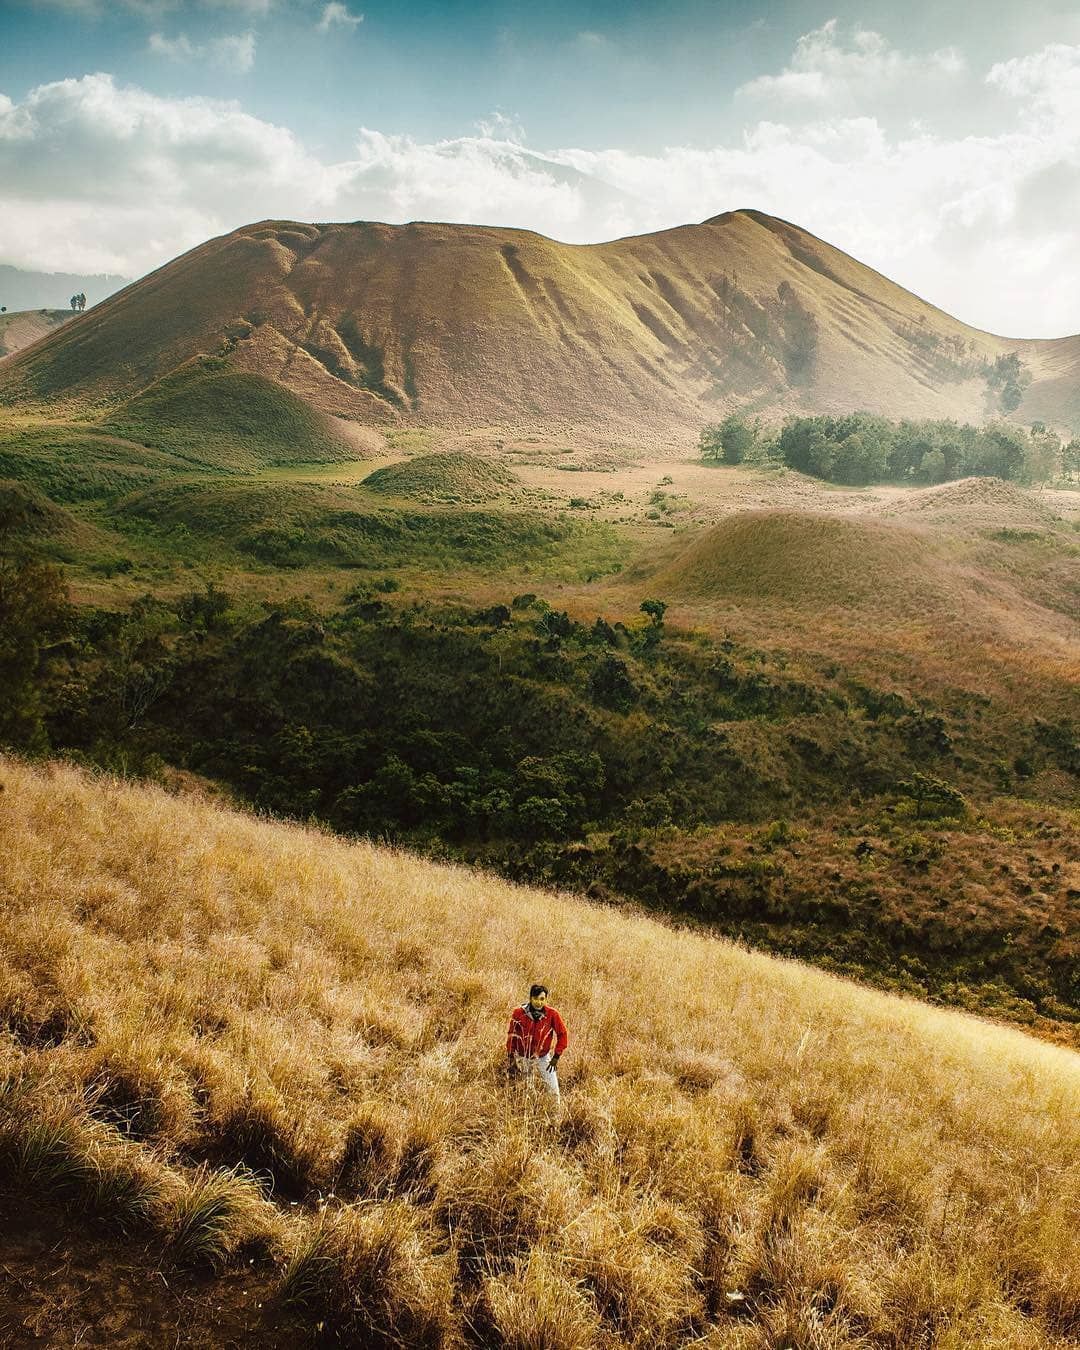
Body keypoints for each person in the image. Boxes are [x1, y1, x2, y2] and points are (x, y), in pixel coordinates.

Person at [506, 984, 567, 1103]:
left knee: (553, 1090)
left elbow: (563, 1034)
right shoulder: (518, 1013)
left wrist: (556, 1057)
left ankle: (555, 1112)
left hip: (543, 1057)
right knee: (525, 1091)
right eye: (535, 998)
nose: (539, 1002)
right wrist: (511, 1058)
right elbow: (511, 1035)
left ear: (546, 999)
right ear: (530, 998)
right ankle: (527, 1110)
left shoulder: (552, 1014)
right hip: (523, 1057)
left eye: (542, 999)